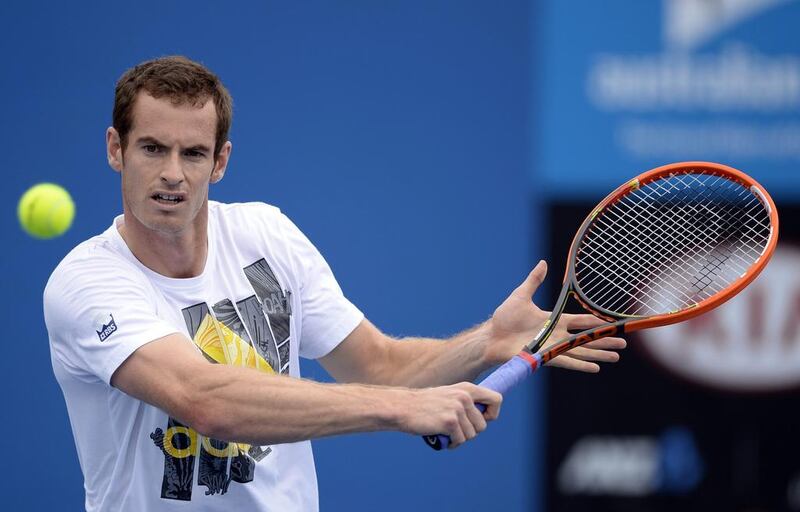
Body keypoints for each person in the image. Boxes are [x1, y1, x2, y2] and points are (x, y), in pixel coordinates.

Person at [43, 56, 625, 511]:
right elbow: (205, 400)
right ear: (115, 149)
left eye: (193, 153)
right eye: (152, 147)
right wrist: (400, 409)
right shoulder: (86, 283)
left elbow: (378, 365)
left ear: (220, 162)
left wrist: (486, 343)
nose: (172, 172)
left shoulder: (265, 232)